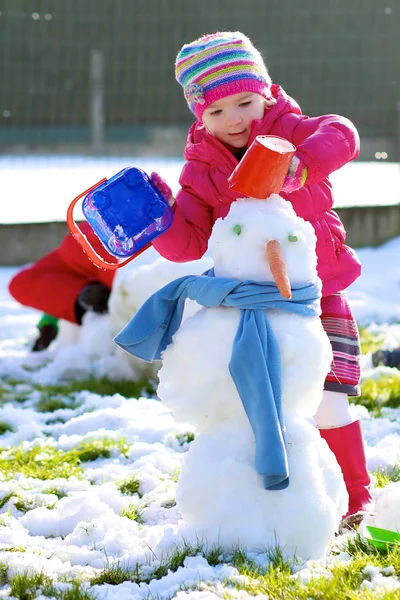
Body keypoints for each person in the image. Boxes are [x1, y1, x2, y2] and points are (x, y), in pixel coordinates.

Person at [148, 31, 373, 528]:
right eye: (216, 111)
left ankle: (355, 497)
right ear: (198, 117)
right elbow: (187, 243)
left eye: (245, 102)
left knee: (327, 400)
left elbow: (343, 132)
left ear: (266, 93)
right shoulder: (202, 168)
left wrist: (301, 164)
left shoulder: (292, 129)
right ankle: (268, 498)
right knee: (257, 408)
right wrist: (157, 220)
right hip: (252, 305)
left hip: (320, 296)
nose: (234, 119)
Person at [8, 222, 116, 351]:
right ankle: (90, 298)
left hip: (111, 253)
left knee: (78, 245)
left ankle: (114, 288)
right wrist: (49, 323)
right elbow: (54, 284)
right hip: (92, 243)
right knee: (21, 283)